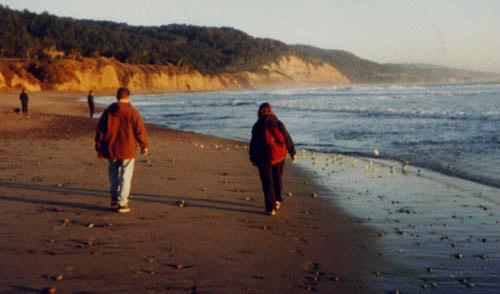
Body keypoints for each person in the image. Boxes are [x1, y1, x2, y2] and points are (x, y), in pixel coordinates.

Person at [95, 87, 148, 213]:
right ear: (128, 96)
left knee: (113, 173)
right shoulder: (132, 112)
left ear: (116, 96)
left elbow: (100, 130)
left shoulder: (108, 111)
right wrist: (144, 145)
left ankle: (114, 197)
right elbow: (139, 130)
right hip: (127, 149)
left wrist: (98, 145)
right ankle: (122, 202)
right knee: (126, 175)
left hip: (111, 147)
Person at [250, 103, 296, 216]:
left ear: (260, 112)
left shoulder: (257, 126)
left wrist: (252, 157)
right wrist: (292, 152)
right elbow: (286, 138)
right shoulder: (278, 123)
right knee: (277, 178)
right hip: (279, 156)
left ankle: (271, 208)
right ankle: (278, 199)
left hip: (263, 158)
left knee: (267, 182)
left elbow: (253, 144)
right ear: (271, 111)